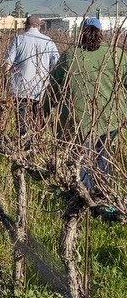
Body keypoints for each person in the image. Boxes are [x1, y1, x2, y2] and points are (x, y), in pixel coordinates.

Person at [47, 17, 127, 203]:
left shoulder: (69, 56)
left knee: (81, 161)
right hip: (110, 120)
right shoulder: (117, 55)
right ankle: (101, 198)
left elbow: (53, 89)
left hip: (78, 120)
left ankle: (83, 199)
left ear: (81, 33)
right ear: (101, 33)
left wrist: (43, 113)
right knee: (103, 160)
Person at [3, 15, 59, 139]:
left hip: (20, 89)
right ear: (39, 27)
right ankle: (34, 146)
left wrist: (6, 84)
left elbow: (7, 63)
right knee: (37, 122)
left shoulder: (18, 39)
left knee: (22, 123)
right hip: (40, 90)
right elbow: (56, 65)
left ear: (26, 26)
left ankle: (22, 144)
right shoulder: (49, 42)